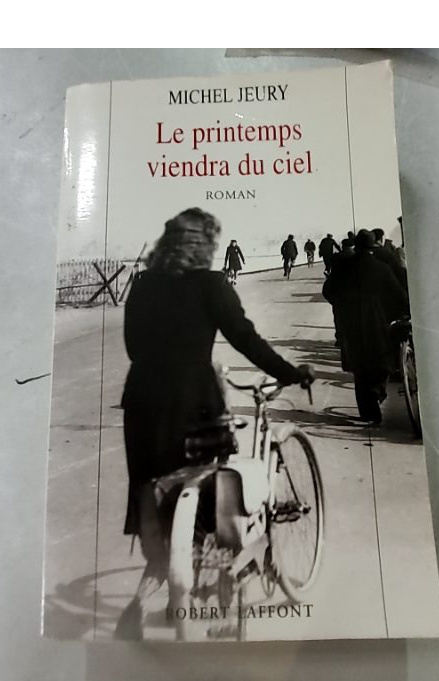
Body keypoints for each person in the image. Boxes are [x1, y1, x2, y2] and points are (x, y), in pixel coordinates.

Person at [116, 209, 314, 639]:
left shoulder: (142, 284)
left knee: (154, 498)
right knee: (211, 502)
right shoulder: (210, 284)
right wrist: (289, 372)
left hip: (143, 406)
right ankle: (218, 606)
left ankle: (147, 596)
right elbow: (246, 339)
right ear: (205, 246)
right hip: (194, 406)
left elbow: (134, 348)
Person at [322, 230, 405, 425]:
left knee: (360, 368)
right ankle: (377, 390)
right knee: (382, 362)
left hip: (351, 322)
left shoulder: (344, 267)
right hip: (376, 321)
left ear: (356, 247)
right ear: (372, 248)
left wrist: (342, 305)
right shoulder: (382, 268)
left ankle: (367, 412)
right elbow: (399, 295)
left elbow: (328, 290)